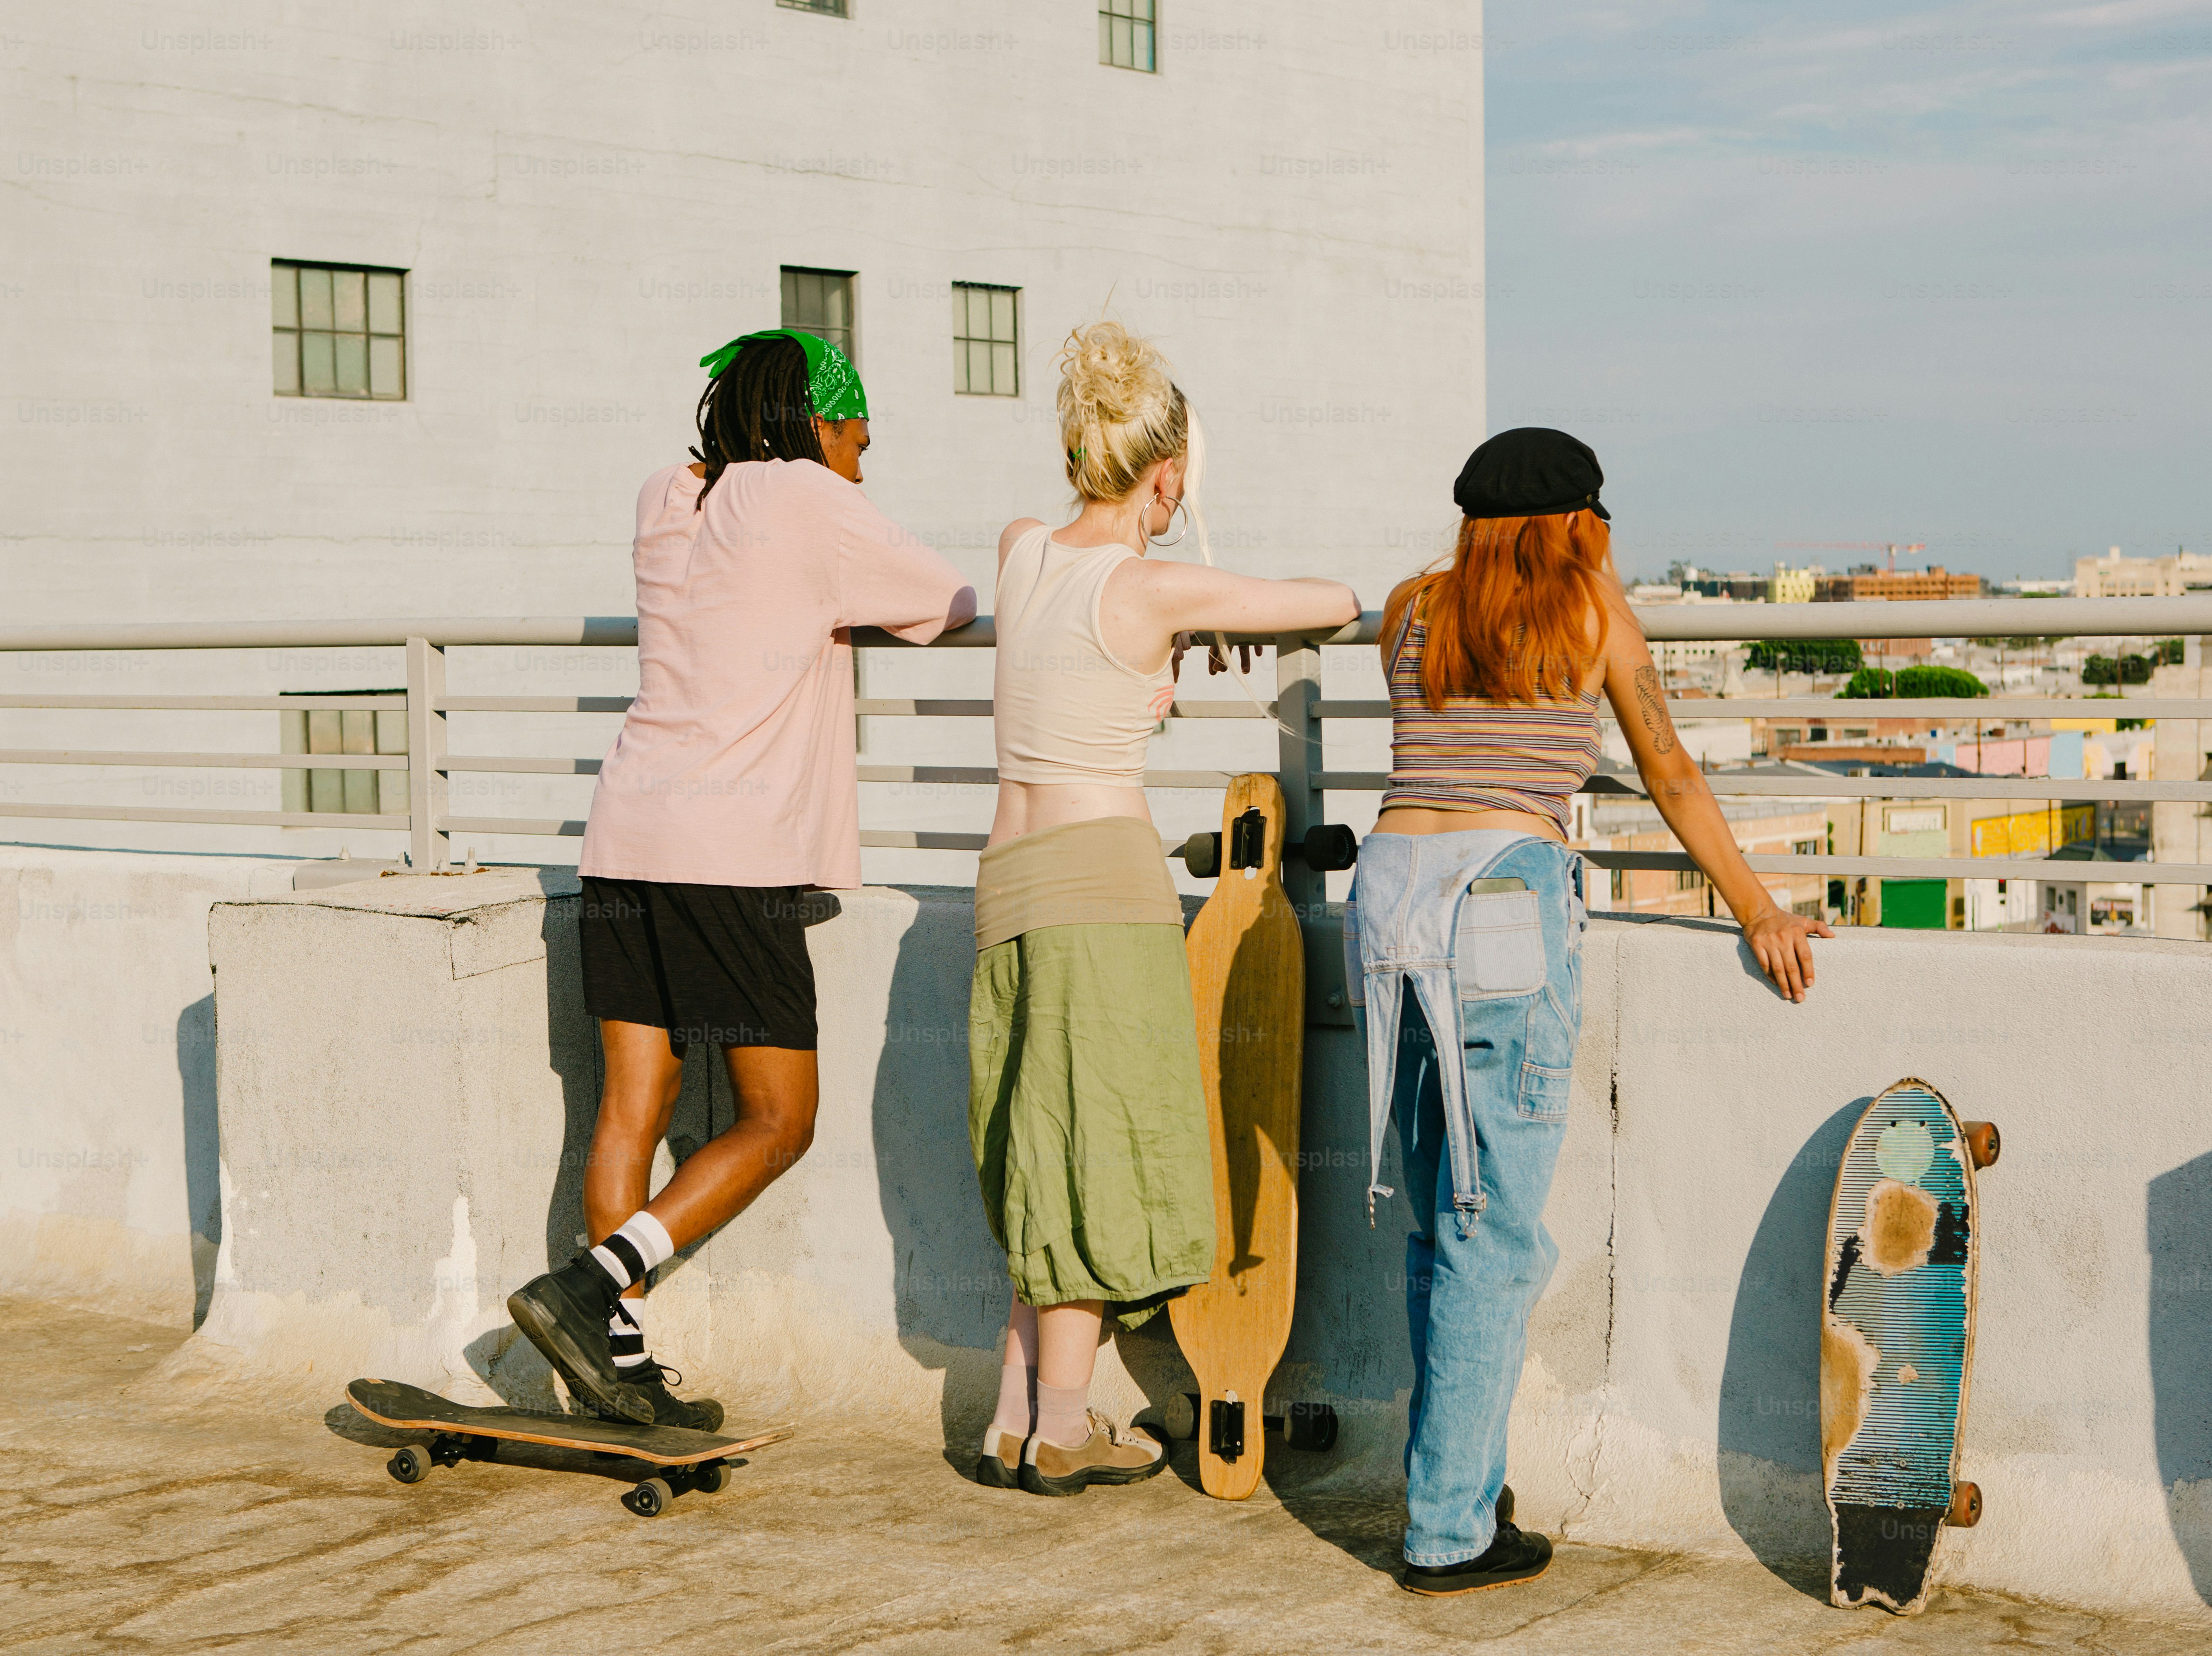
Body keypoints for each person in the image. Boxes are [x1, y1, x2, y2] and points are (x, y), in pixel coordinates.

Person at [1353, 427, 1830, 1593]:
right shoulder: (1593, 611)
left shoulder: (1413, 609)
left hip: (1387, 898)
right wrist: (1760, 908)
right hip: (1501, 904)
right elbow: (1668, 768)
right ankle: (1448, 1527)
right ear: (1580, 521)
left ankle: (1456, 1477)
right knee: (1495, 1228)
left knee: (1439, 1218)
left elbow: (1445, 743)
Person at [506, 329, 976, 1428]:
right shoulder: (808, 497)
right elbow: (948, 601)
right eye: (861, 429)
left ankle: (607, 1364)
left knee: (634, 1100)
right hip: (733, 852)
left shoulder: (666, 493)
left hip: (627, 830)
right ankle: (592, 1288)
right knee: (780, 1119)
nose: (869, 451)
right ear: (819, 421)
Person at [969, 321, 1360, 1495]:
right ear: (1168, 471)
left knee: (1039, 1138)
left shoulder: (1021, 548)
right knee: (1101, 1146)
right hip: (1102, 881)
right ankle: (1062, 1429)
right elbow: (1333, 601)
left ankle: (1011, 1417)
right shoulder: (1151, 584)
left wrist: (1175, 624)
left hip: (1009, 885)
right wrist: (1201, 597)